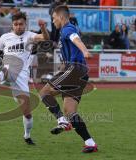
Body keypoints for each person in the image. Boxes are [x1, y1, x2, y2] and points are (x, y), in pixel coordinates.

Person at [39, 5, 98, 153]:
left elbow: (76, 39)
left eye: (53, 18)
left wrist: (85, 50)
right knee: (70, 111)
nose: (53, 22)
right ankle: (90, 143)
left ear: (61, 17)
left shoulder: (67, 29)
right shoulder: (64, 31)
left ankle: (61, 121)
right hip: (79, 73)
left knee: (44, 93)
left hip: (75, 70)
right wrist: (61, 70)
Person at [0, 12, 49, 145]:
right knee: (5, 67)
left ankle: (27, 135)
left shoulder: (30, 36)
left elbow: (45, 37)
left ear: (25, 24)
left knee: (27, 113)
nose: (18, 27)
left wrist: (43, 27)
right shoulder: (5, 37)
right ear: (12, 25)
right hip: (8, 68)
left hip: (22, 76)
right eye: (15, 24)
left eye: (21, 24)